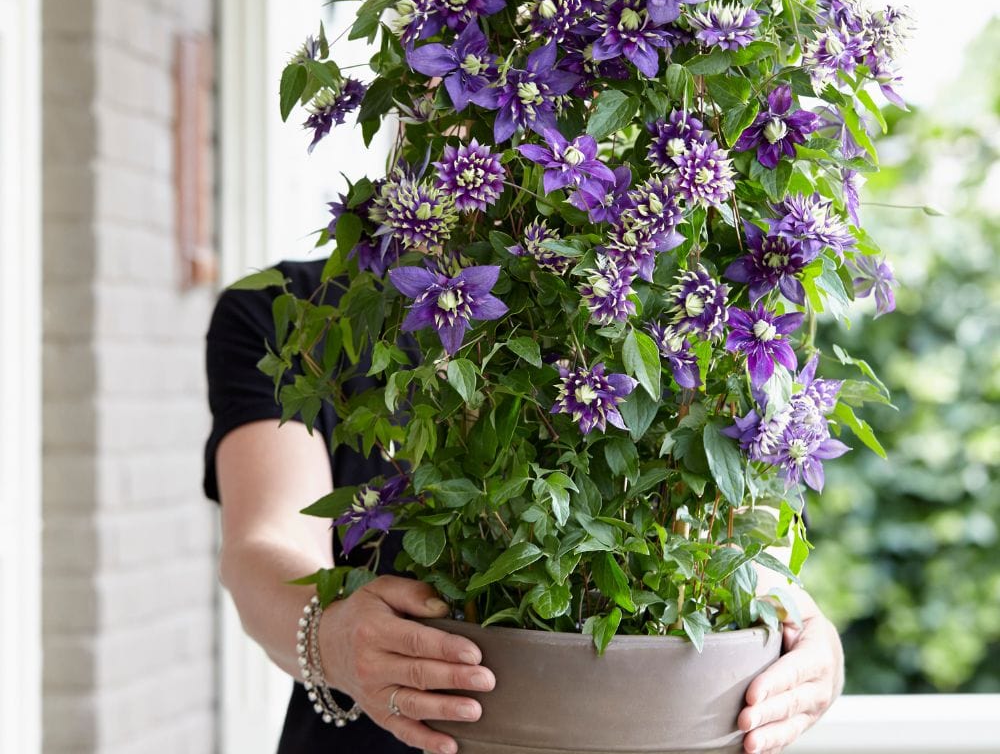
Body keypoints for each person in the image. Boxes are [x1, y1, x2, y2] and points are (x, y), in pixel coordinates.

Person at [204, 259, 844, 754]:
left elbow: (742, 551)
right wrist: (331, 639)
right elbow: (265, 543)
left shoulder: (673, 313)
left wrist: (812, 647)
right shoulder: (294, 316)